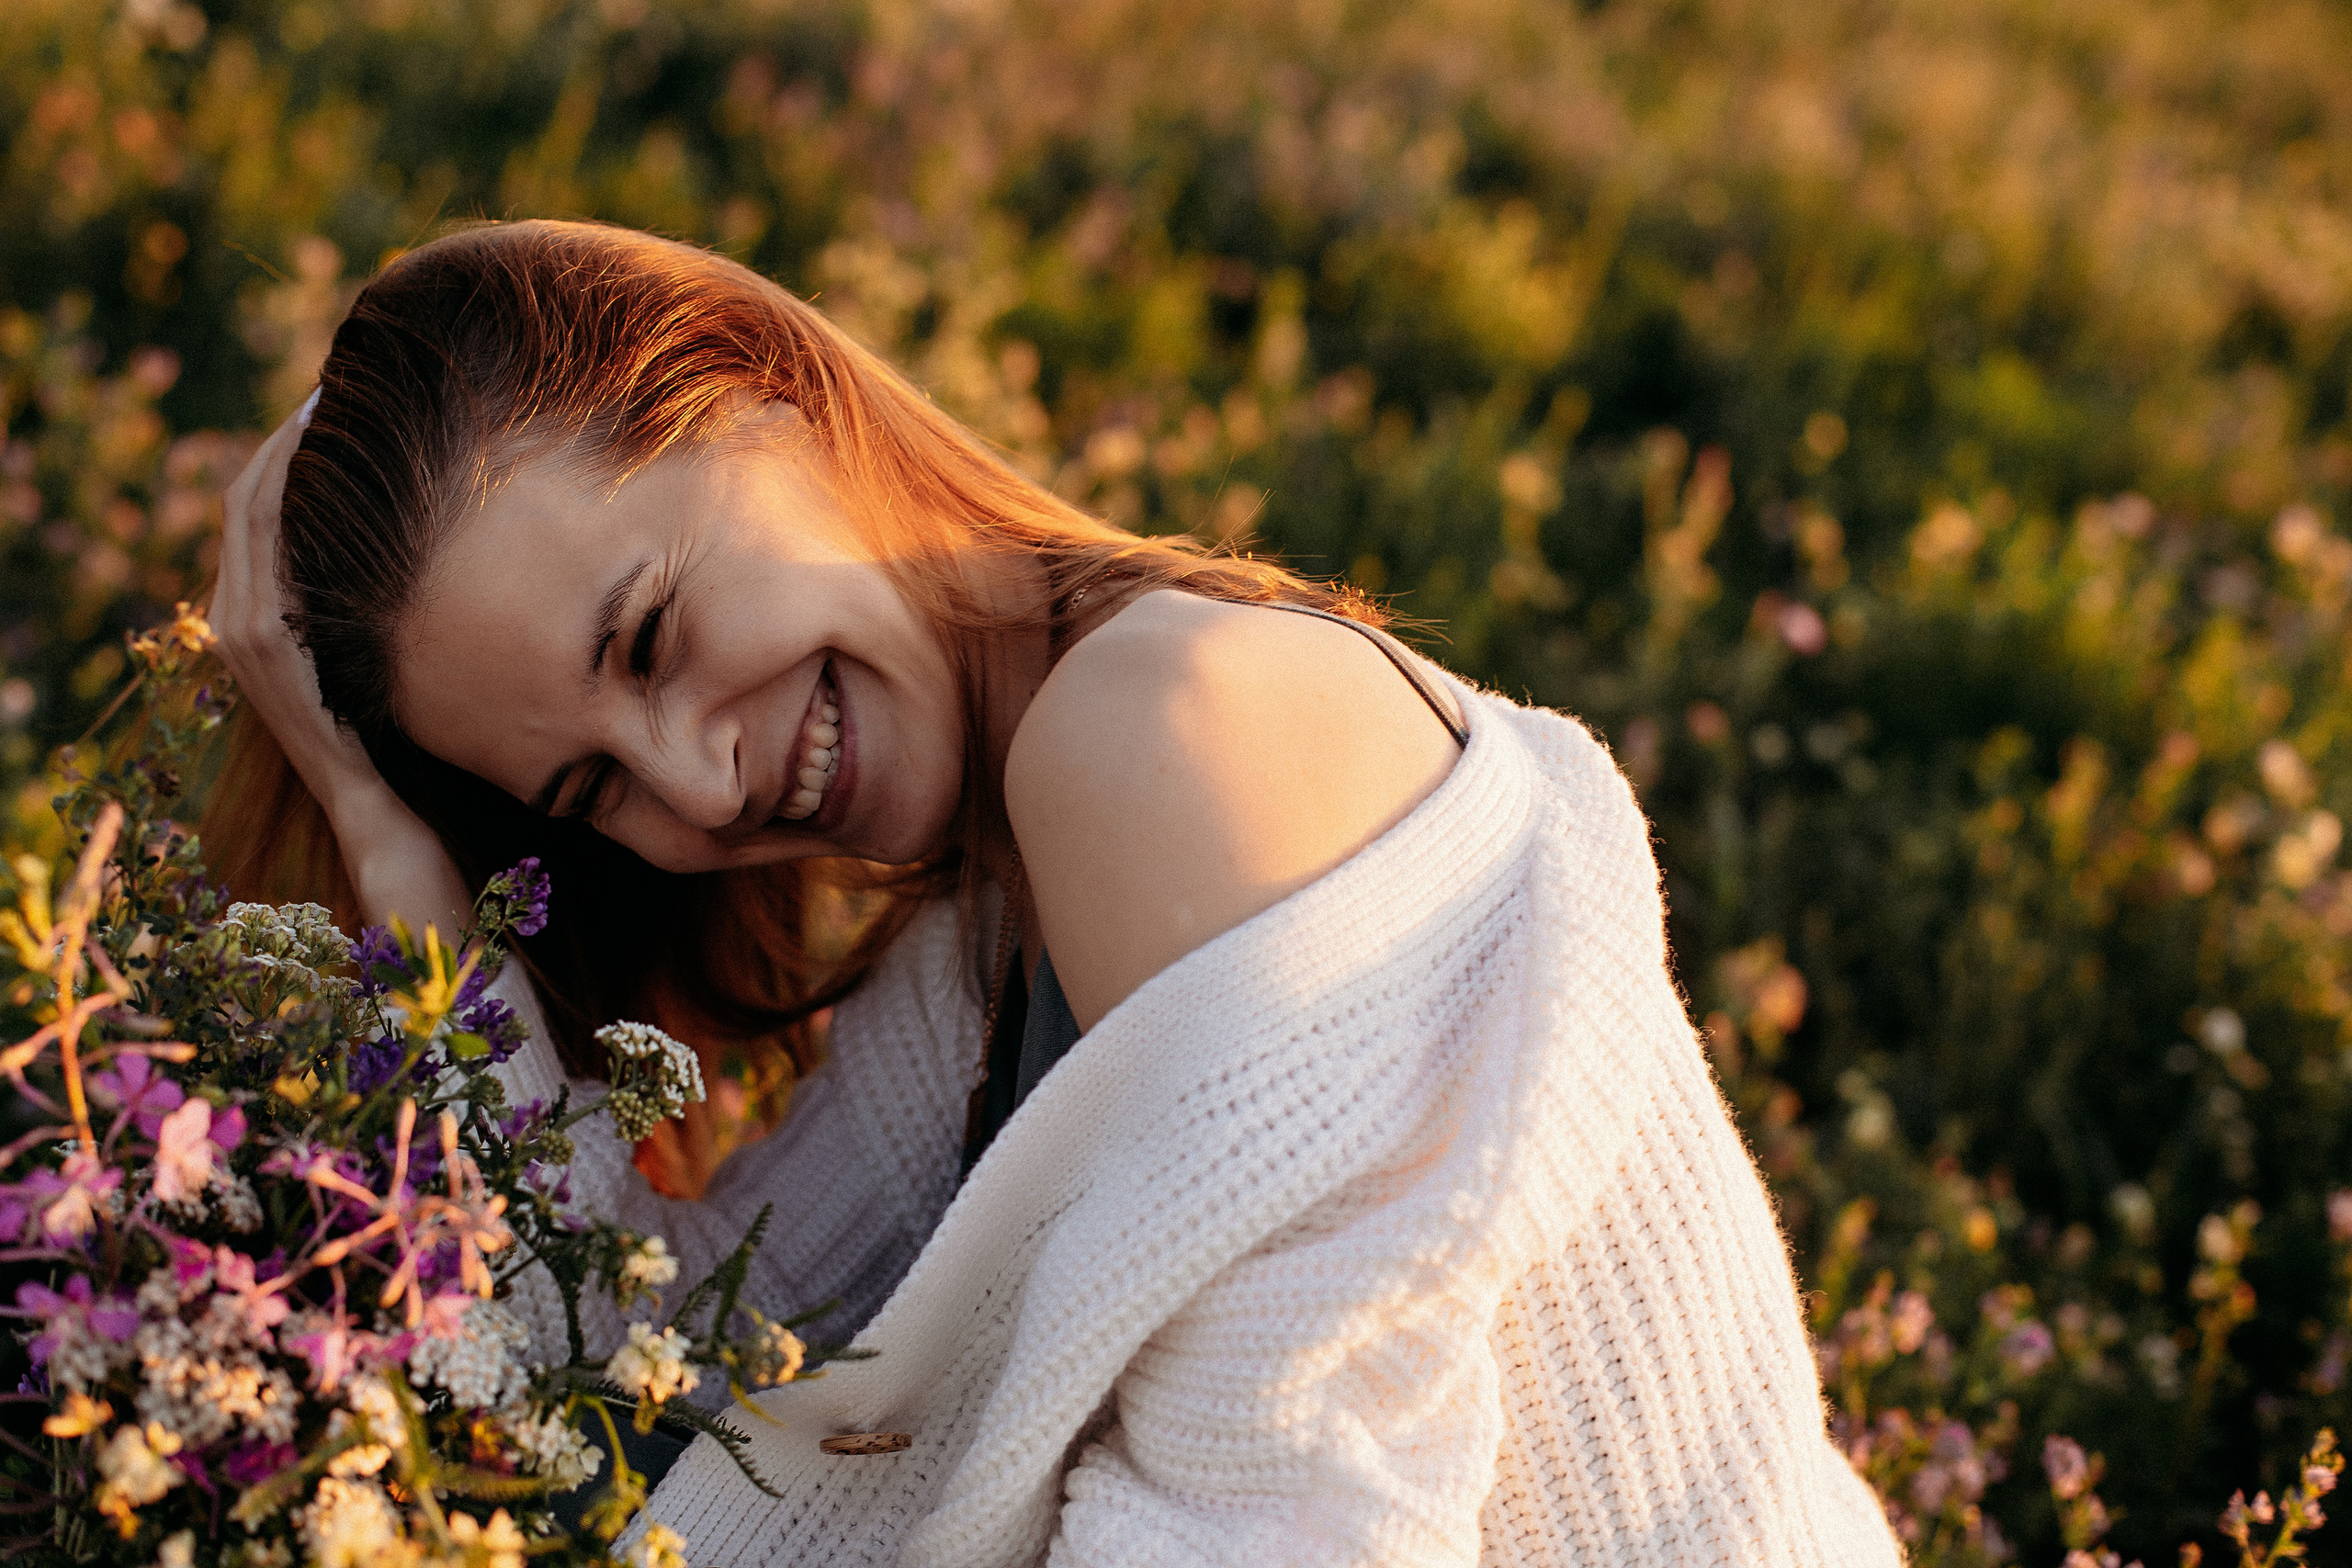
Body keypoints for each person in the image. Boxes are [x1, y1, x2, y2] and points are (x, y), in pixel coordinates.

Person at [207, 220, 1900, 1566]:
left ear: (766, 390)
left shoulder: (1158, 731)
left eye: (649, 635)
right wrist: (389, 838)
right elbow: (625, 1355)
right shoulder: (980, 921)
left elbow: (1286, 1533)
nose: (700, 784)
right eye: (592, 792)